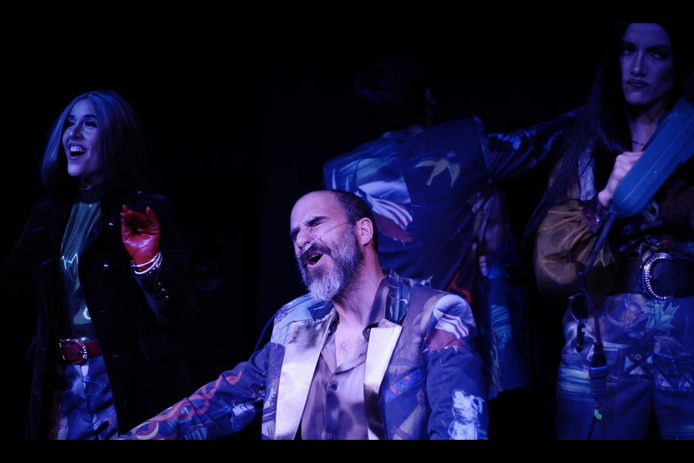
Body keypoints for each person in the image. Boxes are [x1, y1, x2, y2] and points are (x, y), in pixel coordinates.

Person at [120, 190, 488, 440]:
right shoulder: (295, 328)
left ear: (363, 231)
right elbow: (216, 405)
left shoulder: (436, 316)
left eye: (315, 223)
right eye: (295, 233)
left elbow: (460, 427)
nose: (301, 239)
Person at [323, 56, 580, 400]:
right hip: (465, 339)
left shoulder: (339, 174)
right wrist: (592, 110)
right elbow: (539, 141)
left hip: (381, 345)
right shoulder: (465, 145)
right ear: (428, 98)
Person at [529, 23, 694, 440]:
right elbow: (552, 265)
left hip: (688, 326)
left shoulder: (689, 139)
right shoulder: (587, 148)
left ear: (680, 62)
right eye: (626, 50)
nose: (637, 68)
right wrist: (604, 199)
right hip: (605, 329)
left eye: (657, 54)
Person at [1, 90, 196, 440]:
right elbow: (11, 290)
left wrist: (149, 263)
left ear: (115, 138)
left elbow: (180, 314)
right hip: (61, 386)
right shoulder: (46, 216)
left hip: (125, 384)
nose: (73, 134)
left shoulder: (145, 209)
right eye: (70, 123)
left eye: (89, 124)